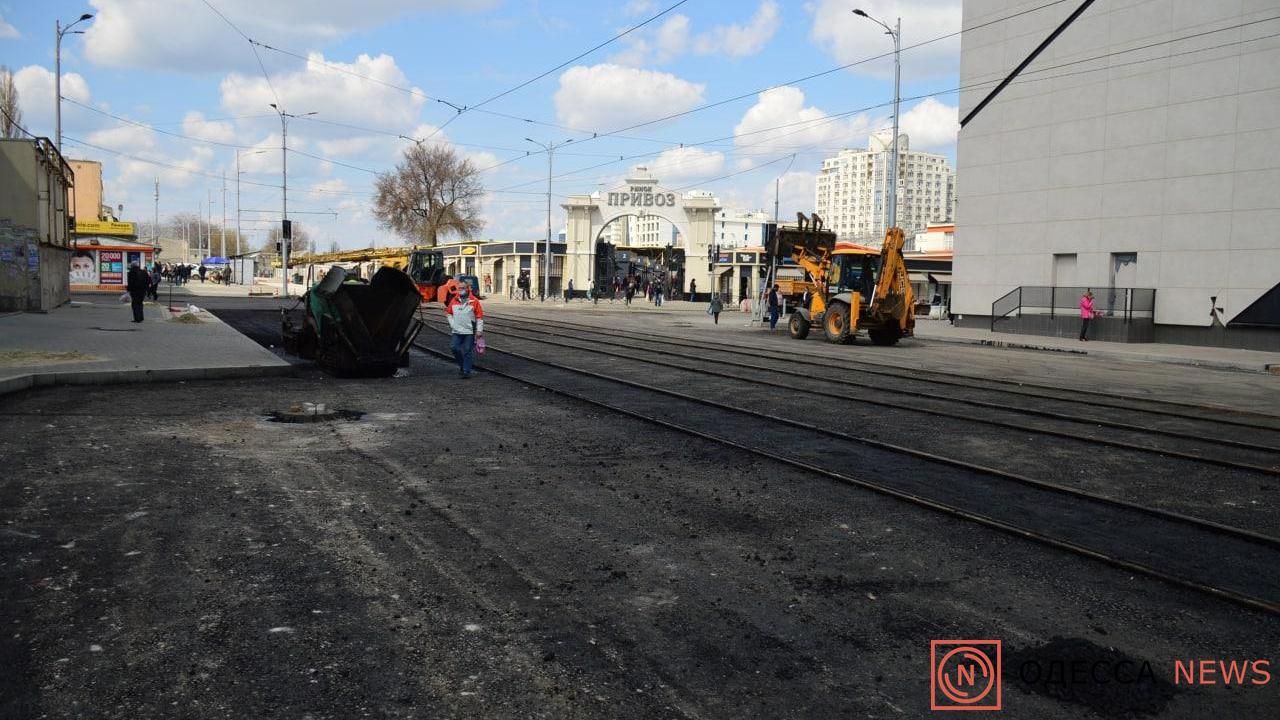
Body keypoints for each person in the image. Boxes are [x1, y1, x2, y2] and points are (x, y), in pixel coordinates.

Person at [445, 280, 484, 378]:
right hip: (456, 330)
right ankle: (463, 366)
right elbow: (449, 313)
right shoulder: (454, 300)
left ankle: (466, 371)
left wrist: (479, 330)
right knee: (454, 348)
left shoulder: (474, 301)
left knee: (467, 351)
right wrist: (453, 325)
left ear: (468, 289)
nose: (461, 290)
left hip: (469, 331)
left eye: (463, 288)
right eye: (459, 288)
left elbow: (479, 317)